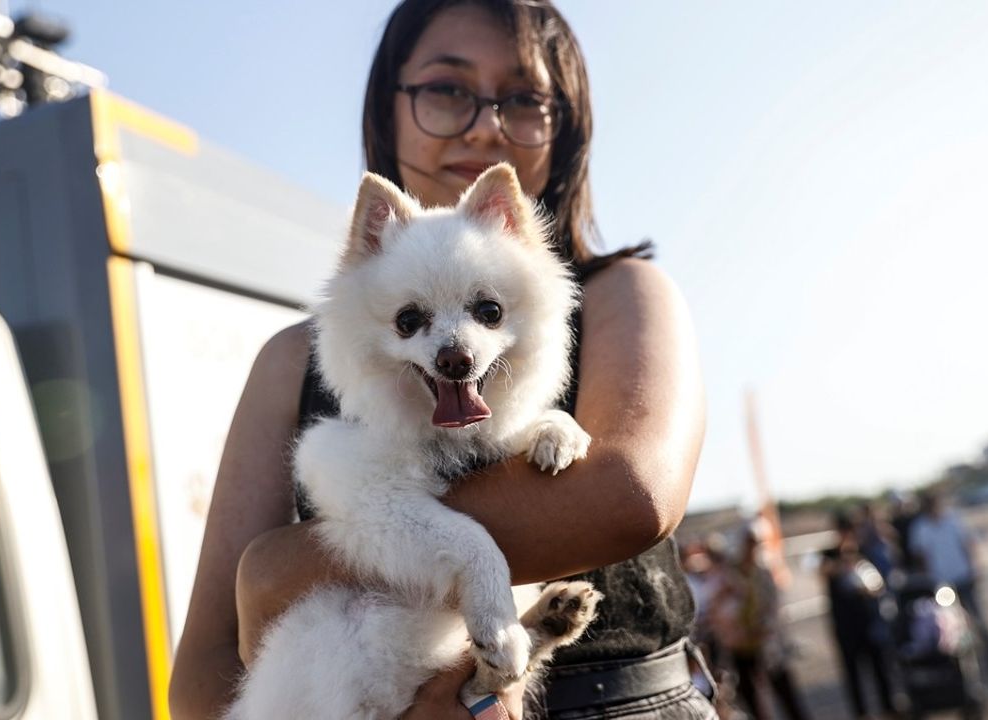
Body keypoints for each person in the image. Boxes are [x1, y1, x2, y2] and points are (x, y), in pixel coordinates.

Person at [167, 2, 709, 719]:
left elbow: (629, 497)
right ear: (385, 110)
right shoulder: (290, 361)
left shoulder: (623, 294)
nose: (487, 125)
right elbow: (203, 672)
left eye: (523, 100)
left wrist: (276, 571)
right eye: (447, 90)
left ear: (566, 127)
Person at [709, 522, 810, 720]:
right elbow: (717, 608)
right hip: (742, 646)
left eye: (755, 543)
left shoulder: (763, 572)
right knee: (755, 702)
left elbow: (774, 606)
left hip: (768, 643)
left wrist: (764, 628)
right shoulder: (727, 575)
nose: (751, 547)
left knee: (787, 696)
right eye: (749, 543)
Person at [906, 490, 988, 672]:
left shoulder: (954, 520)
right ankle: (966, 667)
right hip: (941, 584)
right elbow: (921, 557)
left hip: (963, 577)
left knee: (978, 620)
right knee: (951, 627)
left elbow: (967, 545)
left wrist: (975, 568)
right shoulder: (920, 528)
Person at [819, 512, 896, 720]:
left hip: (868, 620)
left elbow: (877, 583)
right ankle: (861, 713)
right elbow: (824, 571)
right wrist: (844, 559)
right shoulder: (829, 553)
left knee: (880, 667)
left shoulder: (864, 552)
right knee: (852, 673)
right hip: (845, 624)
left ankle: (889, 708)